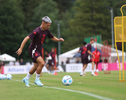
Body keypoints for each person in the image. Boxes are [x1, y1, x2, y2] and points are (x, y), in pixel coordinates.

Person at [16, 16, 64, 87]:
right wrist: (21, 48)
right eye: (48, 25)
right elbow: (26, 38)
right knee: (42, 63)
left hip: (39, 50)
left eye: (49, 25)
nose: (49, 27)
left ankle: (26, 78)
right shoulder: (37, 31)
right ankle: (37, 80)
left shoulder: (47, 31)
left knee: (36, 66)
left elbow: (52, 37)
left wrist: (58, 40)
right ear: (43, 23)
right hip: (33, 50)